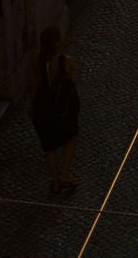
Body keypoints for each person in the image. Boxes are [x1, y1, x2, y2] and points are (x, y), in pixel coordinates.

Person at [31, 26, 80, 195]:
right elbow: (73, 81)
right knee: (70, 137)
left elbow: (35, 86)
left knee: (49, 146)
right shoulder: (65, 62)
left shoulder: (37, 62)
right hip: (61, 108)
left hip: (42, 109)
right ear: (57, 42)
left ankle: (55, 180)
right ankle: (64, 174)